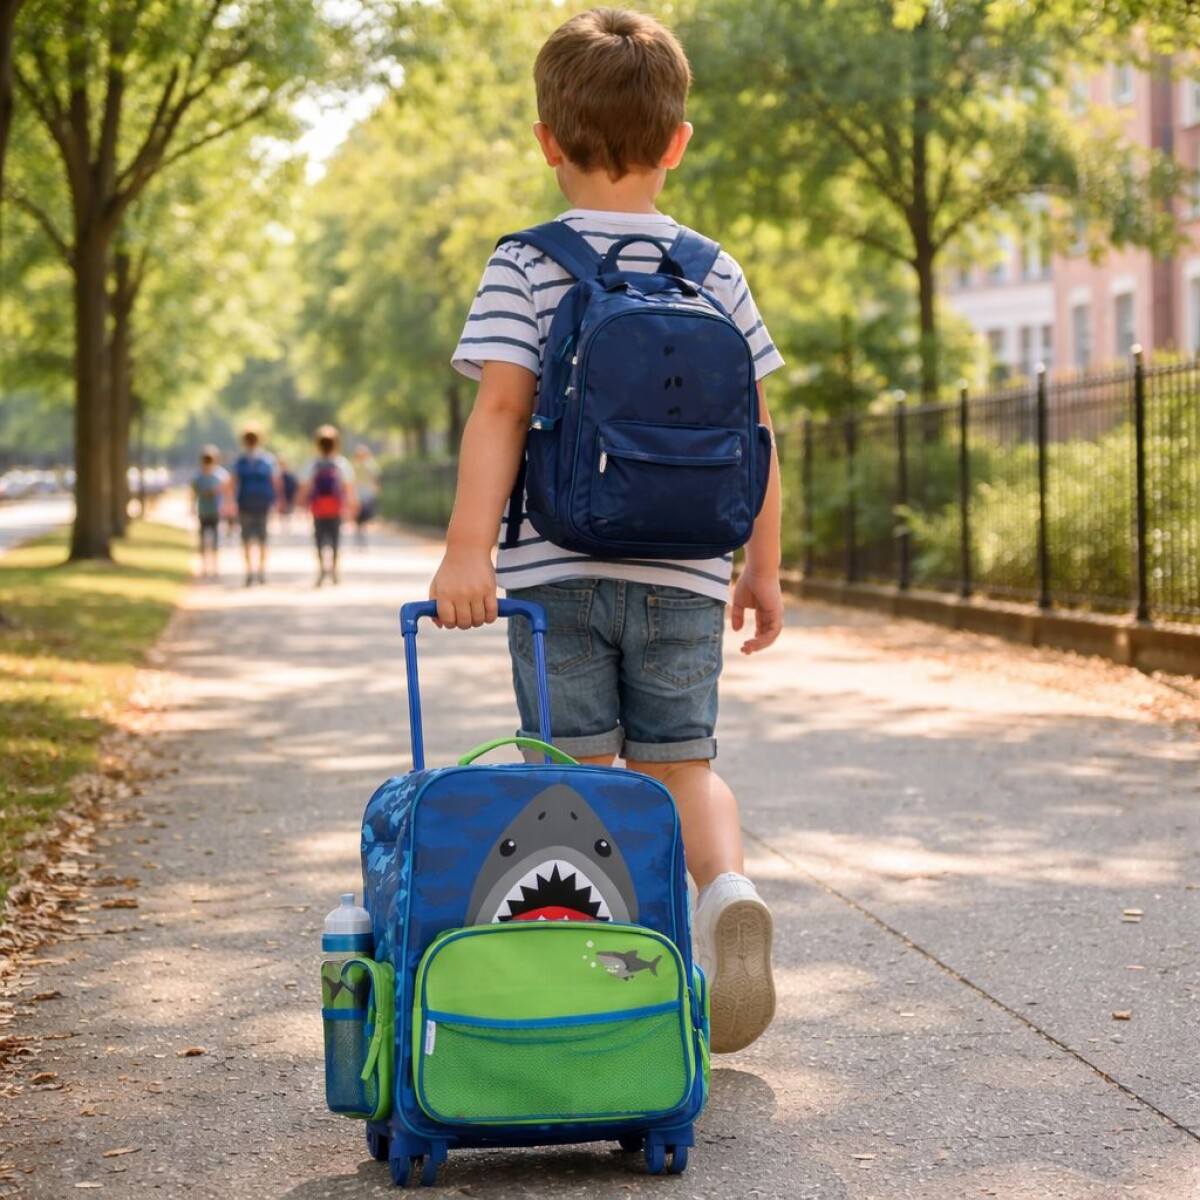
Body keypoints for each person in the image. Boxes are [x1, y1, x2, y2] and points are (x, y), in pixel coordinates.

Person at [428, 7, 785, 1055]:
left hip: (555, 571)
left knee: (580, 778)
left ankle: (618, 975)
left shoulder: (526, 265)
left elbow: (499, 410)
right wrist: (760, 571)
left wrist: (466, 551)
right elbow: (757, 432)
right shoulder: (714, 270)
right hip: (686, 571)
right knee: (684, 765)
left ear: (548, 141)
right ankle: (726, 892)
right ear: (678, 141)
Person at [297, 425, 357, 587]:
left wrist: (301, 503)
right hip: (336, 508)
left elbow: (305, 486)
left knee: (319, 540)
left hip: (318, 509)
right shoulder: (340, 464)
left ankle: (322, 570)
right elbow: (348, 488)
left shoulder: (313, 464)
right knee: (335, 540)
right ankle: (334, 571)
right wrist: (352, 505)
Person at [228, 423, 280, 587]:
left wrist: (277, 500)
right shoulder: (243, 461)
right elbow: (233, 483)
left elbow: (275, 482)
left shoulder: (265, 460)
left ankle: (259, 571)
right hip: (246, 503)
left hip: (260, 503)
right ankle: (252, 571)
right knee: (249, 539)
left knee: (260, 539)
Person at [191, 446, 227, 579]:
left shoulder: (219, 476)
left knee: (215, 539)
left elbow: (225, 491)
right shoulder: (199, 477)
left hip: (215, 511)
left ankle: (214, 566)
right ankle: (204, 566)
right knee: (203, 540)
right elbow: (193, 492)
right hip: (203, 510)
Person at [352, 444, 380, 548]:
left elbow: (375, 479)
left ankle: (361, 534)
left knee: (365, 516)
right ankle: (359, 535)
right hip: (357, 494)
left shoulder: (371, 465)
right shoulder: (355, 466)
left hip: (367, 494)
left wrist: (375, 491)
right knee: (358, 516)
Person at [277, 457, 299, 531]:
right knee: (283, 511)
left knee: (288, 510)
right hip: (284, 494)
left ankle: (287, 524)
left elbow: (295, 485)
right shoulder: (280, 475)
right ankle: (284, 525)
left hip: (289, 494)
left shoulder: (289, 475)